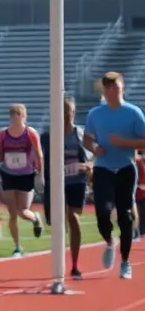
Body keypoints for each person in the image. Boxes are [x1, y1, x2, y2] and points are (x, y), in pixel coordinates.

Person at [82, 71, 145, 279]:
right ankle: (109, 241)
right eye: (108, 89)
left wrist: (124, 143)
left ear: (122, 88)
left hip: (126, 168)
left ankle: (125, 262)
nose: (111, 92)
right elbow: (87, 140)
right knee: (102, 211)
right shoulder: (95, 114)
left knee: (125, 216)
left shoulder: (133, 113)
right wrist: (94, 147)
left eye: (115, 88)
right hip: (103, 168)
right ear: (104, 91)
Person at [40, 96, 90, 280]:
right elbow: (39, 156)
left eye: (70, 111)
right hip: (56, 184)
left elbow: (93, 155)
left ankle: (75, 265)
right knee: (55, 223)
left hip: (76, 182)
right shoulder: (48, 136)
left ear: (74, 113)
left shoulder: (80, 134)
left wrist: (88, 166)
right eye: (63, 111)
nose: (67, 114)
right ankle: (59, 261)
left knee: (73, 218)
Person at [0, 104, 44, 258]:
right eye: (13, 114)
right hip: (8, 173)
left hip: (26, 174)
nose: (15, 117)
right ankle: (17, 247)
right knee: (12, 212)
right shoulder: (2, 134)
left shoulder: (30, 133)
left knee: (23, 211)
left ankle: (35, 219)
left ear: (24, 116)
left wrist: (40, 174)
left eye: (18, 114)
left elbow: (39, 154)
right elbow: (0, 154)